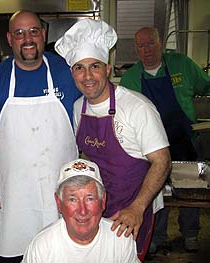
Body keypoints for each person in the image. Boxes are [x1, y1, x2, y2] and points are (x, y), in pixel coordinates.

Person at [55, 19, 171, 261]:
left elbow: (162, 162)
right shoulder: (78, 108)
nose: (87, 76)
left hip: (130, 212)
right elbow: (87, 155)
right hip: (95, 211)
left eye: (94, 66)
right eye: (79, 68)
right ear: (72, 73)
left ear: (108, 69)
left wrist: (138, 208)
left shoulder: (137, 108)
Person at [0, 10, 81, 263]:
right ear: (10, 39)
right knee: (12, 254)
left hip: (61, 191)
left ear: (43, 35)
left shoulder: (66, 72)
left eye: (33, 31)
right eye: (19, 33)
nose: (27, 38)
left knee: (61, 253)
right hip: (14, 195)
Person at [120, 27, 210, 253]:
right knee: (155, 192)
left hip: (186, 140)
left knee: (192, 190)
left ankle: (190, 234)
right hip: (149, 148)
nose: (146, 50)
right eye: (140, 46)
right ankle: (155, 236)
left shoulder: (182, 64)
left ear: (160, 43)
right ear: (136, 49)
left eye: (150, 43)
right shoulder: (130, 78)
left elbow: (205, 85)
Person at [22, 159, 141, 263]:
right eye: (72, 200)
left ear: (103, 201)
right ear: (59, 203)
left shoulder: (120, 239)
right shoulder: (42, 246)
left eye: (90, 199)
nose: (82, 211)